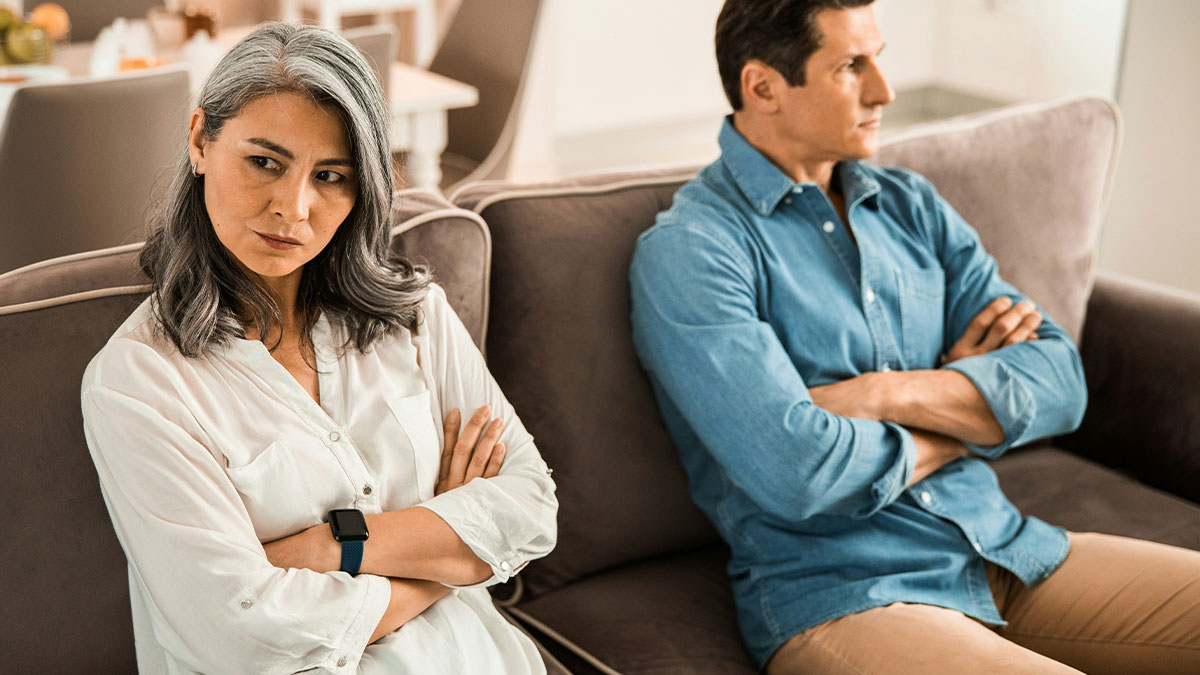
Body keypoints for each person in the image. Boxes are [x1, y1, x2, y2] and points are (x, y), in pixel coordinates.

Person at [628, 1, 1200, 673]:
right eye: (851, 66)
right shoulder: (695, 250)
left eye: (880, 57)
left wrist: (880, 393)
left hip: (1000, 545)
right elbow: (799, 470)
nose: (885, 91)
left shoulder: (911, 206)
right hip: (847, 592)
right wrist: (967, 413)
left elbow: (1060, 384)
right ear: (763, 87)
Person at [81, 23, 557, 674]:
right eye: (265, 162)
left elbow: (530, 507)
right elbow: (241, 636)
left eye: (330, 175)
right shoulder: (139, 381)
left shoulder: (415, 314)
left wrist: (336, 545)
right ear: (200, 140)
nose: (293, 207)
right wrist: (446, 558)